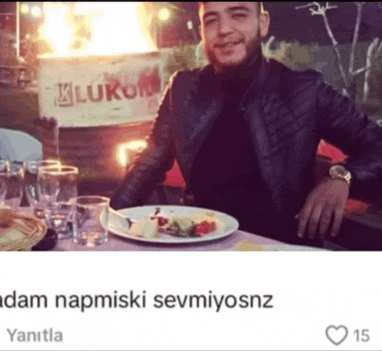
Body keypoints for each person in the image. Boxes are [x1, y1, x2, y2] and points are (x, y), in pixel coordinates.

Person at [111, 2, 382, 247]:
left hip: (279, 250)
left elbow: (376, 144)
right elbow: (151, 159)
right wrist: (111, 219)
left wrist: (342, 176)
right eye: (212, 20)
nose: (224, 29)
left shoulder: (305, 91)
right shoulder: (182, 88)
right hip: (199, 244)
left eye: (238, 14)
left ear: (262, 23)